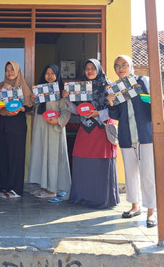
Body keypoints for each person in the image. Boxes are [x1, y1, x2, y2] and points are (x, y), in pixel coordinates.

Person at [62, 59, 119, 209]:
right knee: (82, 160)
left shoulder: (110, 87)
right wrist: (67, 100)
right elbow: (79, 111)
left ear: (99, 69)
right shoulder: (81, 87)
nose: (89, 71)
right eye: (87, 68)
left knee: (101, 163)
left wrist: (97, 113)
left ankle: (101, 199)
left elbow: (115, 110)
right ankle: (83, 197)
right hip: (86, 130)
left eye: (93, 68)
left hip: (102, 130)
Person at [108, 55, 157, 227]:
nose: (120, 68)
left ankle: (151, 211)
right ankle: (135, 206)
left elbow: (155, 103)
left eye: (124, 64)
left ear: (131, 66)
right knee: (130, 174)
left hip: (145, 135)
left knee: (147, 173)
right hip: (127, 136)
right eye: (117, 66)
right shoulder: (115, 88)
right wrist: (111, 103)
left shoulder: (143, 81)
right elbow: (114, 115)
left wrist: (144, 95)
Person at [28, 64, 72, 202]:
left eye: (53, 73)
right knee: (42, 155)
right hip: (41, 126)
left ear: (57, 75)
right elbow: (35, 108)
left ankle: (52, 189)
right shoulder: (41, 90)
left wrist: (58, 120)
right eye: (47, 73)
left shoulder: (62, 92)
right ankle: (43, 186)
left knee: (53, 158)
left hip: (54, 128)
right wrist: (33, 99)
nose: (49, 76)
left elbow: (66, 111)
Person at [0, 61, 34, 199]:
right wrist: (0, 93)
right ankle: (3, 187)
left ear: (18, 71)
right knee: (2, 155)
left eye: (12, 69)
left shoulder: (24, 87)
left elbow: (30, 107)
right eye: (7, 70)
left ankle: (16, 189)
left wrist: (21, 108)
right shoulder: (0, 86)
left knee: (16, 156)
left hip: (17, 124)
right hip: (1, 123)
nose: (9, 72)